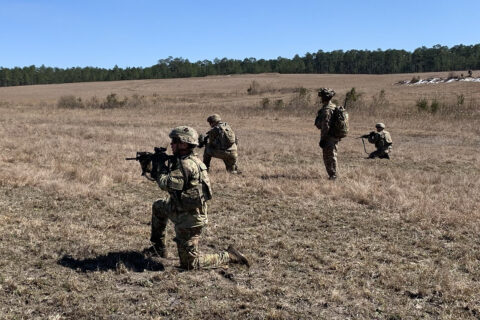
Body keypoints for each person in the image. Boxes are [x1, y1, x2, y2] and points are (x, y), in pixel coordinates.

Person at [142, 126, 249, 270]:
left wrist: (158, 168)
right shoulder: (189, 159)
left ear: (184, 144)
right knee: (158, 206)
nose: (171, 144)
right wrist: (153, 166)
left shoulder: (185, 165)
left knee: (190, 264)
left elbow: (165, 184)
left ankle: (228, 256)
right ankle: (158, 247)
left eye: (175, 141)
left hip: (190, 219)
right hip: (181, 208)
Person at [315, 88, 340, 180]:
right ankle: (333, 174)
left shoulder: (327, 110)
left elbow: (325, 125)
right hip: (333, 136)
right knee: (331, 155)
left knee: (329, 156)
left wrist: (323, 139)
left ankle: (333, 175)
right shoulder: (333, 106)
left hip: (328, 137)